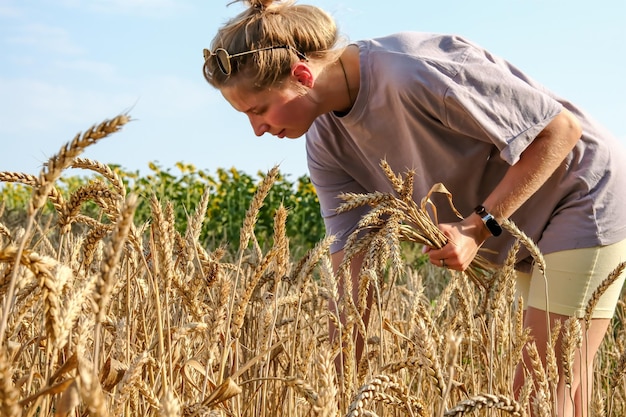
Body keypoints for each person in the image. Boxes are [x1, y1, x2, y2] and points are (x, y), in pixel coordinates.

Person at [202, 0, 626, 415]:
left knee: (536, 391)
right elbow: (351, 266)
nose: (257, 130)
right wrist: (338, 387)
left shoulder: (416, 71)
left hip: (583, 193)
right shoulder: (324, 145)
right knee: (559, 388)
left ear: (301, 75)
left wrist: (478, 227)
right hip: (524, 231)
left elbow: (560, 131)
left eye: (259, 109)